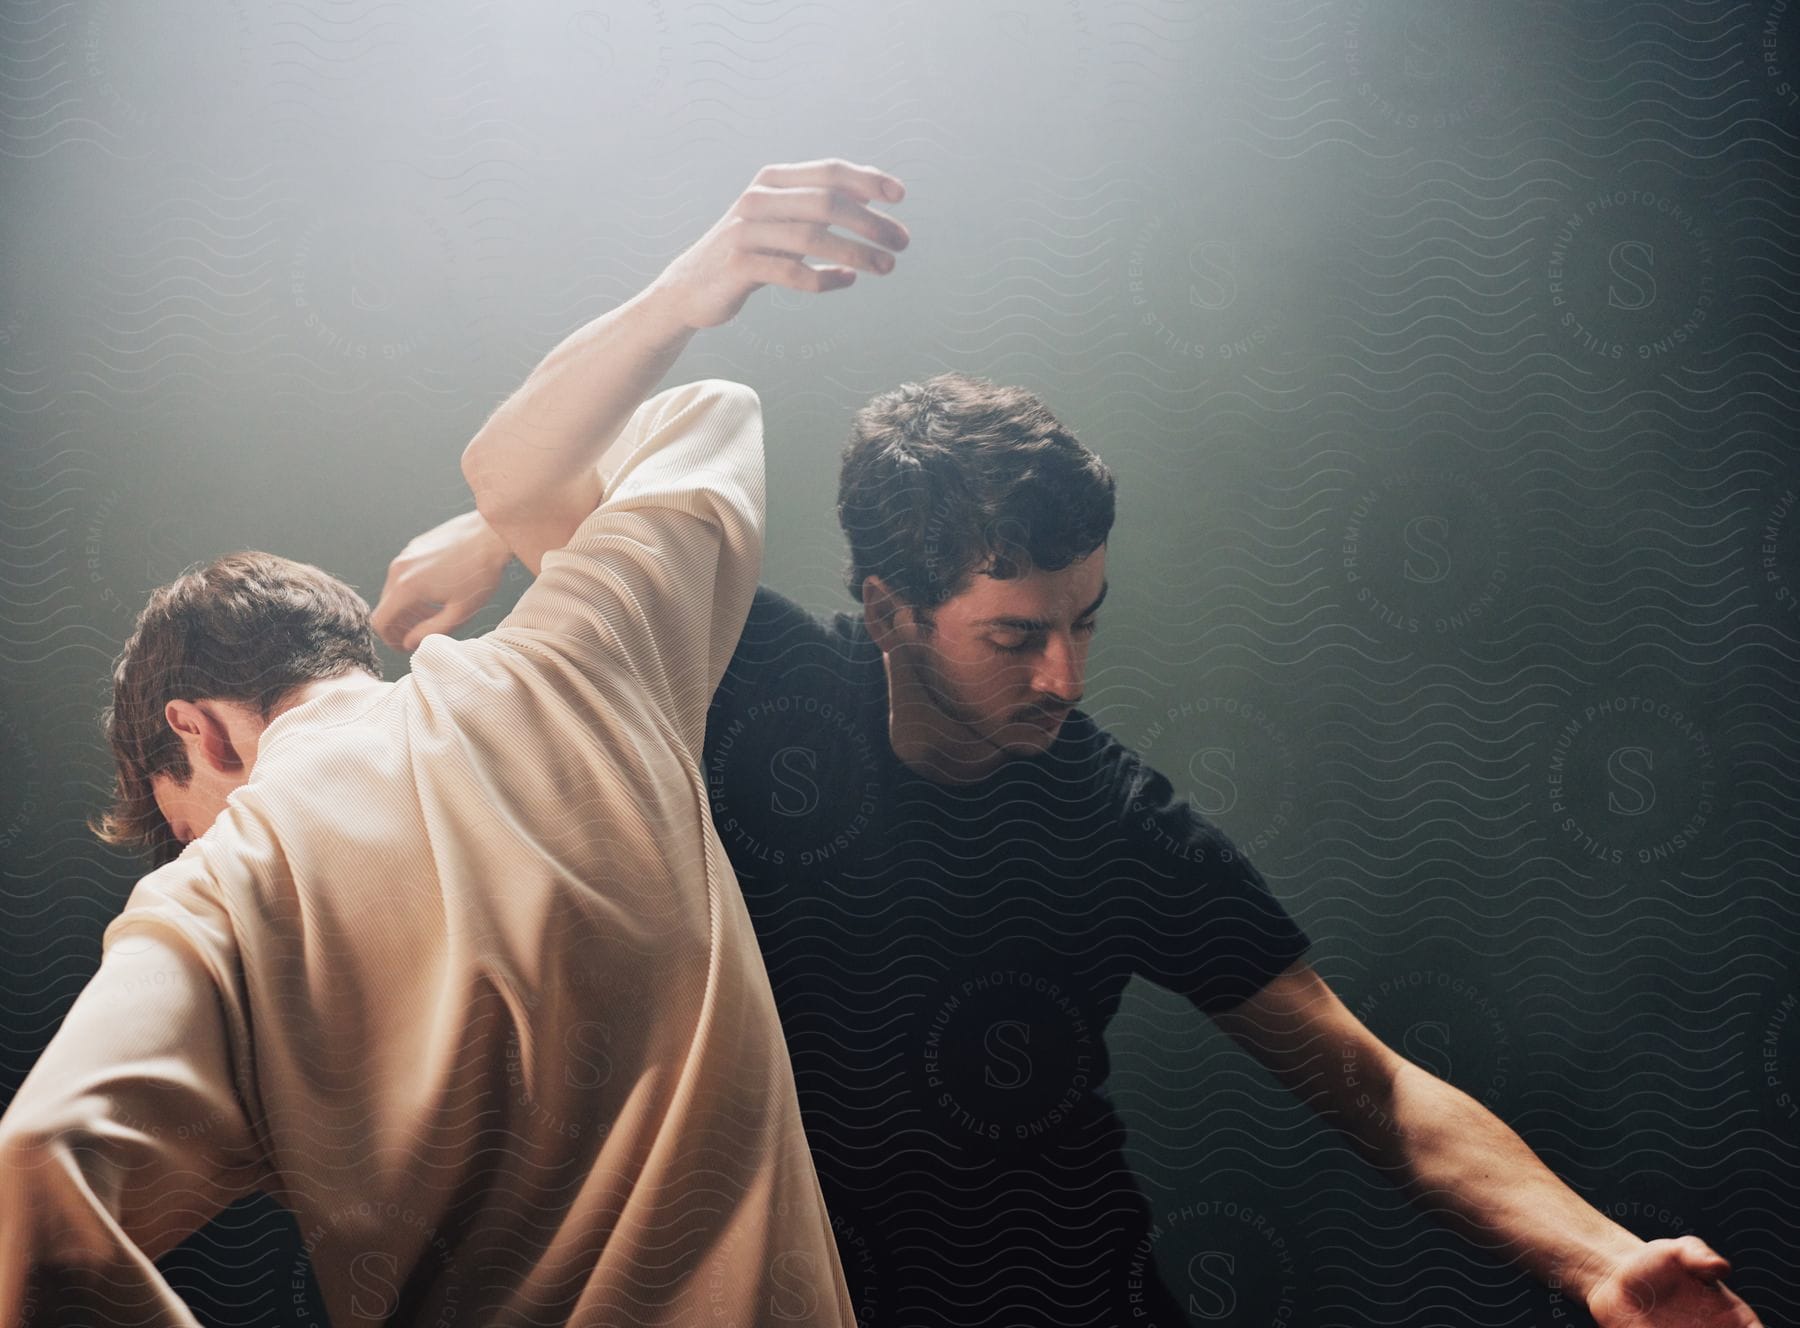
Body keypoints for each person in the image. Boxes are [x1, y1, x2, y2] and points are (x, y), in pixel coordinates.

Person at [373, 213, 1765, 1324]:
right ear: (885, 611)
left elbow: (1367, 1081)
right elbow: (516, 471)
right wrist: (699, 279)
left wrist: (1596, 1258)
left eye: (1085, 622)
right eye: (1013, 637)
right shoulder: (755, 680)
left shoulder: (1115, 827)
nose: (1065, 679)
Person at [0, 156, 912, 1326]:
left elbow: (40, 1175)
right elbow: (705, 413)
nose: (191, 855)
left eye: (180, 829)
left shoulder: (221, 902)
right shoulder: (581, 670)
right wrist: (498, 525)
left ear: (196, 728)